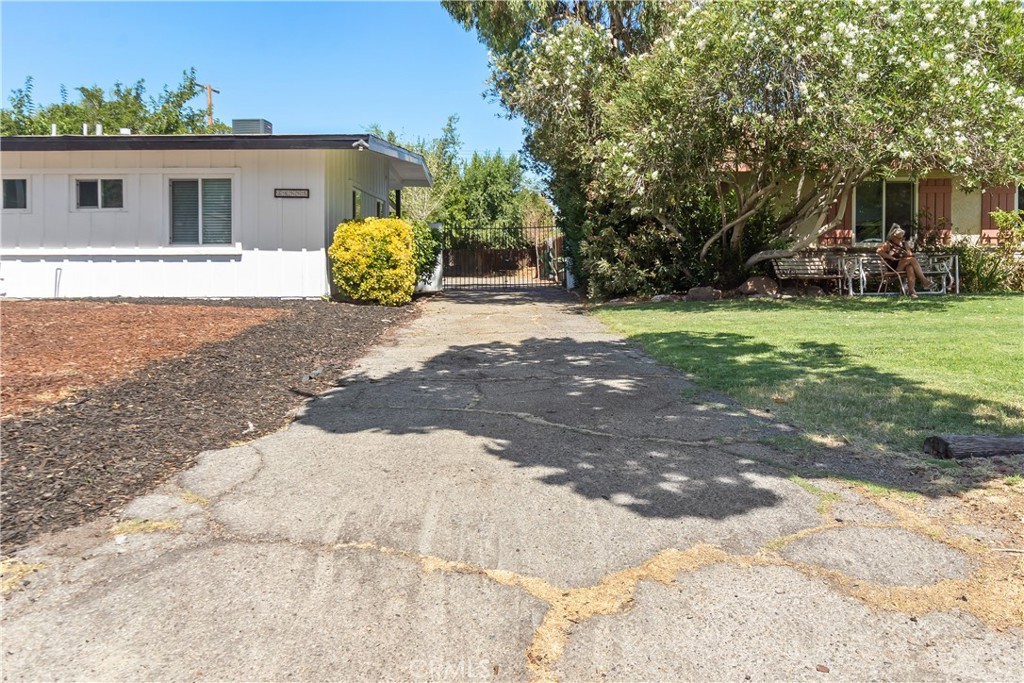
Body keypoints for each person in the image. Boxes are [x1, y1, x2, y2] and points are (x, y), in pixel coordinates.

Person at [876, 225, 934, 297]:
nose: (901, 240)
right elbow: (879, 251)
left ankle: (912, 292)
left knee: (910, 267)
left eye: (902, 238)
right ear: (893, 237)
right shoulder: (888, 244)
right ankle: (924, 281)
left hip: (904, 263)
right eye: (899, 238)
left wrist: (906, 253)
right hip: (894, 267)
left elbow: (910, 254)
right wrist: (890, 257)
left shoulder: (904, 244)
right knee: (911, 260)